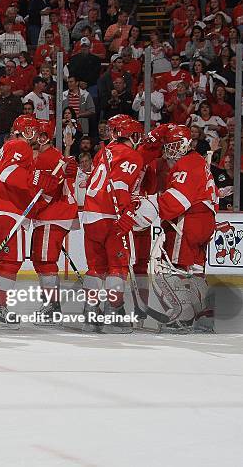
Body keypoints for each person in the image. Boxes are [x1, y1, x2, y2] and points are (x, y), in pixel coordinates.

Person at [125, 125, 217, 331]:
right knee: (195, 270)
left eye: (175, 145)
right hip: (205, 221)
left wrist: (152, 202)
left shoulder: (185, 165)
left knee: (170, 269)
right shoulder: (198, 161)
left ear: (185, 144)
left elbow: (177, 201)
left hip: (187, 222)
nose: (171, 149)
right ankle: (204, 316)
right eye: (169, 145)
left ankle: (182, 317)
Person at [0, 115, 58, 329]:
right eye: (30, 130)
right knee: (10, 261)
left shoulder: (11, 146)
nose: (32, 135)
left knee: (7, 261)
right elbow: (9, 174)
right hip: (6, 208)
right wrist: (37, 179)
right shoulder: (19, 145)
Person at [81, 116, 144, 333]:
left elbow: (93, 182)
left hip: (90, 215)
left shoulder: (103, 152)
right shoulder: (132, 155)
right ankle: (115, 311)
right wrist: (127, 210)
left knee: (96, 267)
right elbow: (119, 184)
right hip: (111, 216)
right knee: (117, 267)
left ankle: (91, 310)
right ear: (133, 135)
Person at [29, 119, 78, 323]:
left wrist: (33, 209)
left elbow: (49, 191)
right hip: (48, 215)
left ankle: (52, 305)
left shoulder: (51, 158)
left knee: (45, 260)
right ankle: (50, 301)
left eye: (37, 134)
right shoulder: (45, 156)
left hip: (53, 214)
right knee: (40, 259)